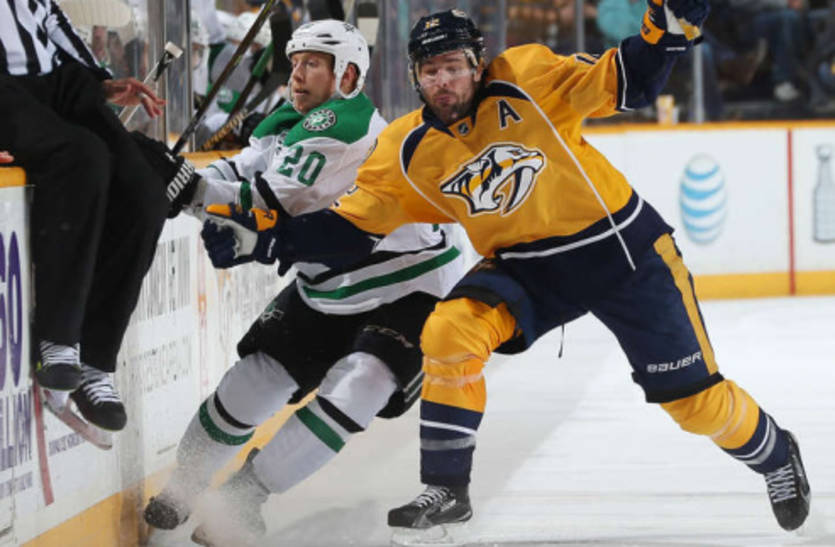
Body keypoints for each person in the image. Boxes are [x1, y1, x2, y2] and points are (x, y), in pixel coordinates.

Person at [200, 4, 812, 540]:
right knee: (449, 331)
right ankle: (447, 488)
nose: (444, 81)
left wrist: (665, 32)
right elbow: (348, 232)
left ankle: (775, 452)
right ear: (415, 76)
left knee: (694, 403)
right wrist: (267, 236)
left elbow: (628, 80)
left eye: (454, 66)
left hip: (620, 252)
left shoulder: (527, 78)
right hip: (524, 269)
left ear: (478, 64)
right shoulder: (406, 152)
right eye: (430, 71)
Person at [142, 20, 465, 546]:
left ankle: (247, 495)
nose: (297, 74)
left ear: (348, 76)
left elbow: (262, 203)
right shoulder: (294, 119)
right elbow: (242, 171)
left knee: (362, 384)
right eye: (295, 62)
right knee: (254, 381)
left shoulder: (343, 127)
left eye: (313, 63)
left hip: (411, 286)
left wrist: (188, 190)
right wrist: (181, 178)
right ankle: (185, 485)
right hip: (328, 284)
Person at [0, 0, 190, 432]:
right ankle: (58, 338)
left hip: (57, 82)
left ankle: (95, 360)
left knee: (145, 193)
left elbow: (48, 16)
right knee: (81, 158)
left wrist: (101, 79)